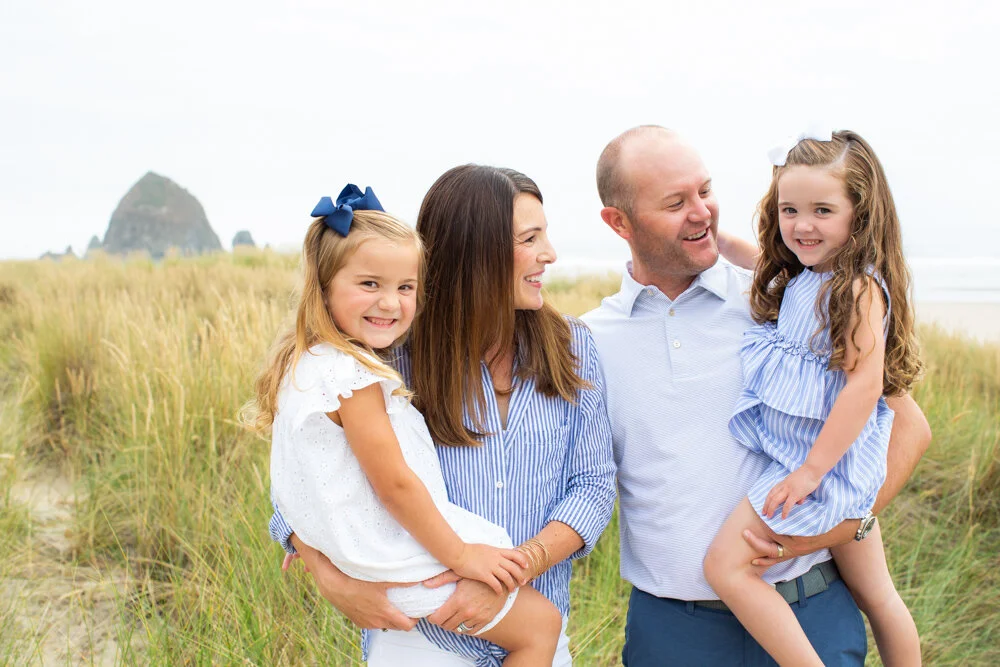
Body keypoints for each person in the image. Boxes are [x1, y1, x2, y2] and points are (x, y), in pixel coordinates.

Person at [583, 125, 931, 666]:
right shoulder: (587, 341)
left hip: (807, 611)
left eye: (705, 190)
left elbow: (905, 426)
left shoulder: (780, 298)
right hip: (673, 634)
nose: (701, 212)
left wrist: (841, 526)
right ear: (618, 222)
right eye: (676, 202)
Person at [269, 167, 617, 666]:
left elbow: (594, 485)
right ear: (476, 255)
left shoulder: (573, 346)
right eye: (529, 238)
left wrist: (511, 573)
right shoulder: (385, 353)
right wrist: (331, 578)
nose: (549, 254)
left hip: (534, 622)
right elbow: (308, 473)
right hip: (420, 638)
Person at [702, 130, 923, 666]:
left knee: (726, 567)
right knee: (876, 593)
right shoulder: (811, 277)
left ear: (860, 215)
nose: (802, 225)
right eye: (790, 209)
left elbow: (865, 387)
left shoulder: (858, 289)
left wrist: (810, 473)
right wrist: (716, 238)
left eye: (822, 210)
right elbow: (761, 260)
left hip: (818, 466)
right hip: (819, 463)